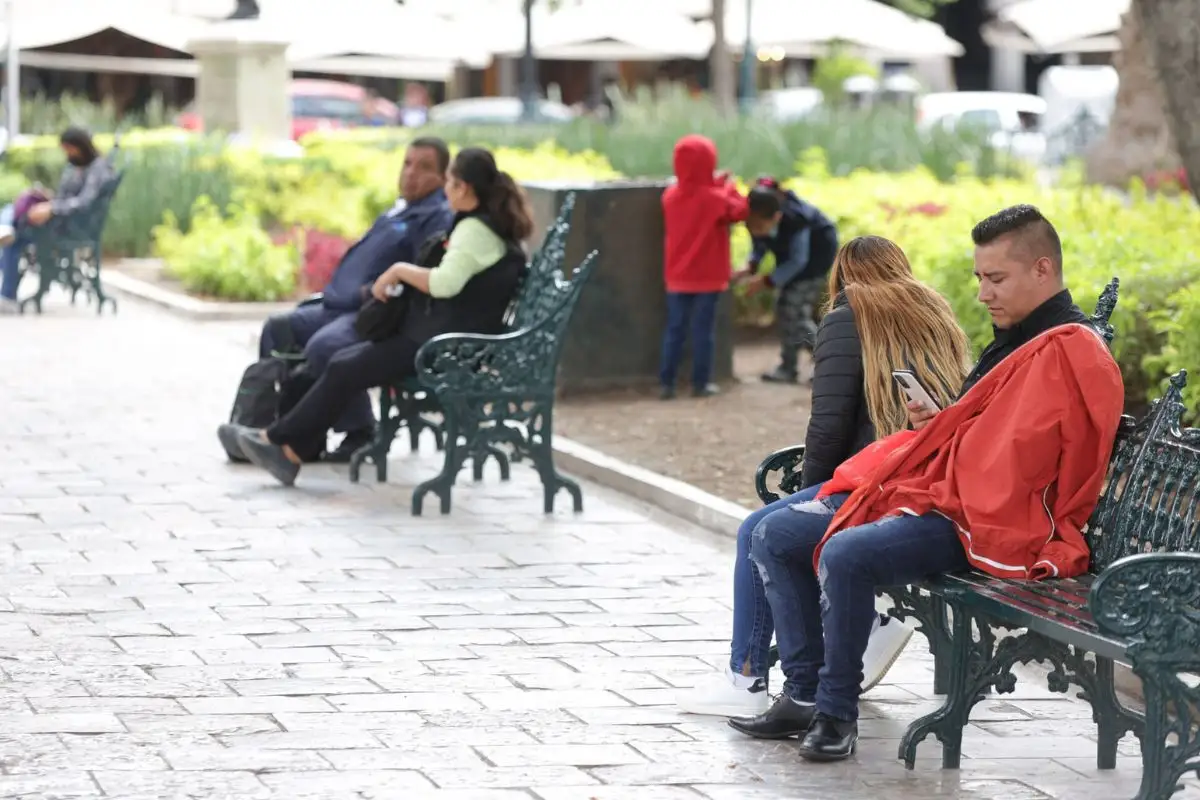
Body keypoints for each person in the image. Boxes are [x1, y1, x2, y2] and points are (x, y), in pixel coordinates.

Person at [729, 205, 1124, 763]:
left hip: (984, 520)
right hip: (940, 488)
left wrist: (953, 442)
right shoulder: (1017, 337)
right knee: (772, 536)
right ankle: (803, 692)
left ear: (1042, 270)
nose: (984, 293)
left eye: (996, 279)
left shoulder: (1073, 350)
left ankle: (836, 714)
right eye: (979, 278)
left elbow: (1056, 471)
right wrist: (939, 423)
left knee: (843, 554)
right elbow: (988, 431)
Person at [677, 235, 972, 718]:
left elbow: (828, 425)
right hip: (923, 480)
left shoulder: (847, 316)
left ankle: (747, 677)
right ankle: (865, 628)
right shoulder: (934, 315)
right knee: (779, 528)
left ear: (843, 276)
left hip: (878, 481)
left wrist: (809, 490)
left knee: (762, 529)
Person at [224, 147, 533, 486]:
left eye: (449, 182)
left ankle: (279, 442)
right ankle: (284, 448)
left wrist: (398, 271)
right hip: (441, 337)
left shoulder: (474, 231)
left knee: (344, 366)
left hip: (446, 348)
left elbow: (445, 284)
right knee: (343, 362)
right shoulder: (480, 226)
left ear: (464, 188)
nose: (446, 190)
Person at [234, 137, 454, 462]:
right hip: (336, 304)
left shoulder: (435, 216)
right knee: (278, 328)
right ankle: (265, 424)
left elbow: (423, 271)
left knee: (325, 347)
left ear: (443, 177)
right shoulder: (399, 207)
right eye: (407, 164)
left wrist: (372, 291)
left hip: (371, 312)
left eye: (424, 168)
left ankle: (360, 430)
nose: (411, 174)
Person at [659, 134, 749, 400]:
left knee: (674, 329)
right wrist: (729, 185)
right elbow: (740, 211)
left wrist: (714, 184)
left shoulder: (670, 196)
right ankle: (700, 383)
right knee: (702, 332)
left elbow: (696, 190)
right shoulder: (716, 198)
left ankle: (667, 383)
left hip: (676, 277)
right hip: (708, 278)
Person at [0, 127, 115, 314]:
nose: (67, 154)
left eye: (69, 149)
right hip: (60, 219)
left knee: (13, 240)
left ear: (80, 146)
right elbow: (65, 196)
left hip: (69, 226)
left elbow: (84, 203)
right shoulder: (76, 167)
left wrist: (52, 208)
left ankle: (7, 294)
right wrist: (48, 198)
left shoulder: (97, 168)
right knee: (14, 214)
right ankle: (6, 229)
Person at [739, 179, 839, 385]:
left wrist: (768, 280)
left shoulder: (797, 220)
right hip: (794, 265)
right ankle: (789, 366)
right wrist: (752, 264)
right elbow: (760, 243)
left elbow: (798, 259)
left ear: (777, 217)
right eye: (751, 226)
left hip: (813, 264)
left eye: (759, 226)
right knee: (785, 310)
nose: (755, 231)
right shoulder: (760, 215)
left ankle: (831, 363)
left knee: (794, 313)